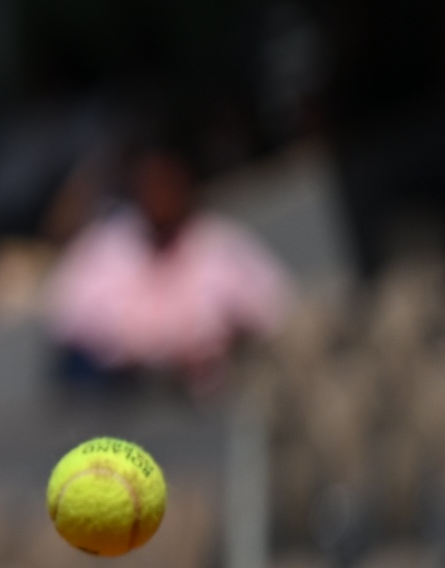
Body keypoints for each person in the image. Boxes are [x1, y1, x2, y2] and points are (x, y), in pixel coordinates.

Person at [47, 139, 293, 390]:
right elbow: (69, 332)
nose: (159, 195)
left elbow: (273, 313)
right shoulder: (100, 251)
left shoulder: (220, 244)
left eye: (166, 182)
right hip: (127, 402)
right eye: (150, 184)